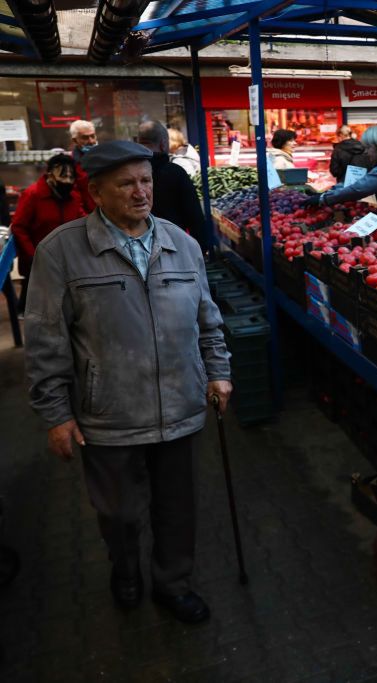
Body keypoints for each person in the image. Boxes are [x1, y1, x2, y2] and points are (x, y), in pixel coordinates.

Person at [24, 140, 232, 624]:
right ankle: (125, 566)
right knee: (119, 513)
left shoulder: (181, 244)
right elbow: (45, 338)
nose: (141, 192)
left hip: (181, 403)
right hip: (109, 413)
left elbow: (208, 318)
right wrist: (56, 414)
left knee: (177, 510)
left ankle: (173, 583)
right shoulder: (63, 251)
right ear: (96, 191)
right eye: (127, 184)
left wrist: (218, 371)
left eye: (146, 181)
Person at [10, 153, 87, 312]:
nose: (67, 181)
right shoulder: (33, 195)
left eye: (70, 177)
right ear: (50, 174)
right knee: (40, 307)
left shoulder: (73, 196)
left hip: (66, 259)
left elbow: (81, 220)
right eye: (62, 176)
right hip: (37, 260)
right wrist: (33, 256)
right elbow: (19, 227)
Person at [137, 121, 208, 252]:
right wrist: (201, 250)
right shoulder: (175, 173)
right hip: (173, 246)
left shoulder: (129, 174)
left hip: (139, 247)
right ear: (164, 144)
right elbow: (194, 217)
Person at [306, 126, 377, 209]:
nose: (366, 152)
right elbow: (357, 182)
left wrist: (324, 199)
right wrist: (328, 193)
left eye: (368, 147)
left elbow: (362, 188)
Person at [69, 120, 98, 212]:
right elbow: (74, 196)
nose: (91, 141)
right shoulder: (71, 164)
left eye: (93, 136)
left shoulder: (105, 157)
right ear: (75, 140)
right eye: (85, 138)